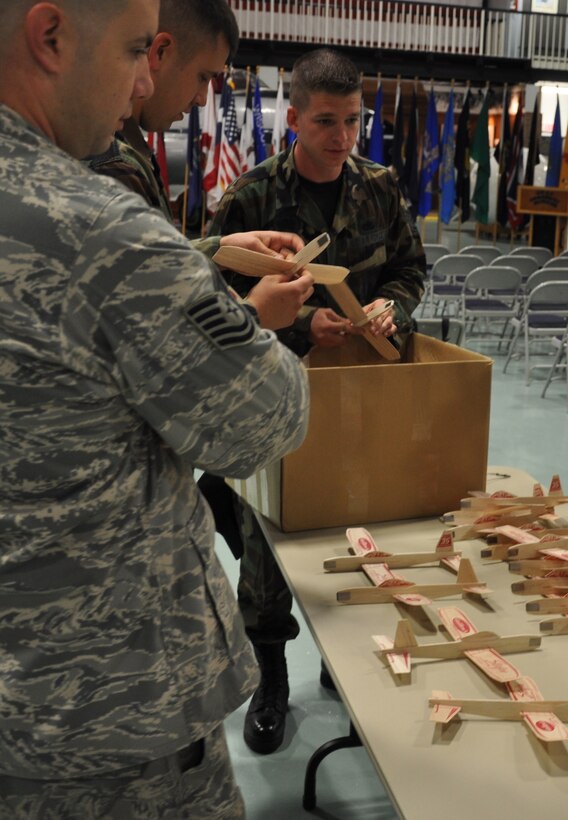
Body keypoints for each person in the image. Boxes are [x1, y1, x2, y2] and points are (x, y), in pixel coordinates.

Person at [0, 2, 310, 817]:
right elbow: (266, 419)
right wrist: (238, 314)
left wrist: (199, 262)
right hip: (104, 716)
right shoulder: (97, 228)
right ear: (51, 35)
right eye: (137, 48)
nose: (145, 80)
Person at [208, 47, 426, 754]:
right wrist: (305, 324)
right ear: (294, 117)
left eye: (352, 122)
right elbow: (215, 301)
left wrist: (390, 308)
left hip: (355, 396)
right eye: (325, 122)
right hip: (270, 396)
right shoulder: (253, 196)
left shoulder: (380, 186)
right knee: (265, 541)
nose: (340, 138)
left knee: (354, 534)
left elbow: (409, 268)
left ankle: (348, 668)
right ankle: (271, 678)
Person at [89, 0, 314, 333]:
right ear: (160, 52)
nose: (203, 99)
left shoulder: (124, 151)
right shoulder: (112, 163)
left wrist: (219, 249)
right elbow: (144, 328)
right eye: (203, 77)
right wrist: (254, 315)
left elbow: (145, 264)